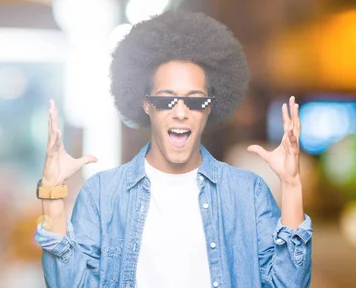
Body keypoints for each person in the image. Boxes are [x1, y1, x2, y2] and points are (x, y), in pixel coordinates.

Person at [34, 10, 312, 288]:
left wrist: (290, 184)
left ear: (210, 107)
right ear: (146, 105)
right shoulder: (102, 195)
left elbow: (287, 285)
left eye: (195, 101)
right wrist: (51, 193)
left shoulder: (247, 193)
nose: (180, 112)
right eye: (166, 100)